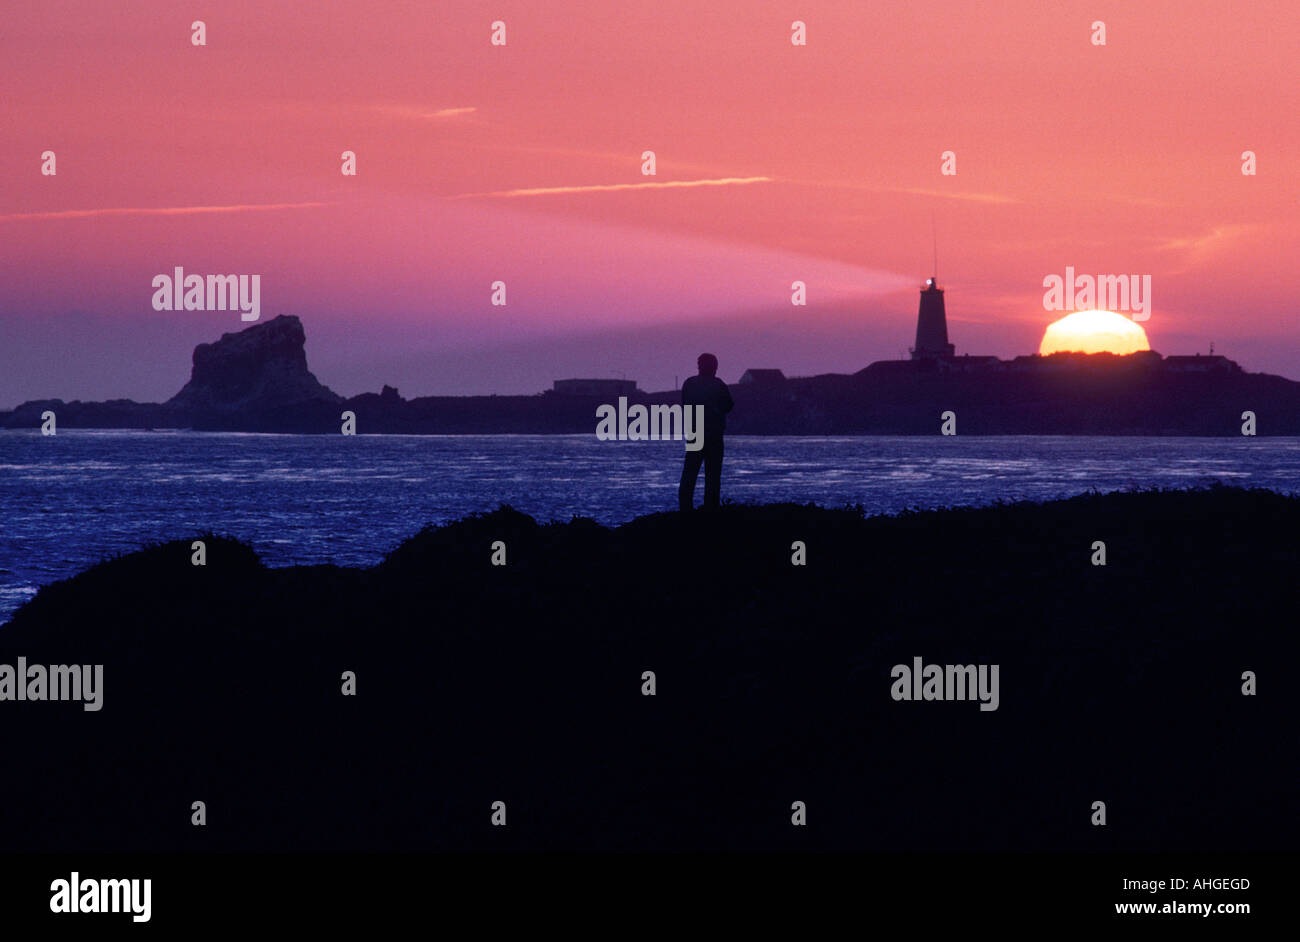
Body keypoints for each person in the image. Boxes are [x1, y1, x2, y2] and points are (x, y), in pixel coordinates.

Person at [678, 353, 733, 512]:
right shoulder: (718, 384)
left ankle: (685, 509)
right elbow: (728, 405)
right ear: (714, 367)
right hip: (714, 435)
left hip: (695, 433)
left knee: (689, 473)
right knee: (713, 475)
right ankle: (711, 508)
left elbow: (685, 404)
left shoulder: (689, 383)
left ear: (699, 366)